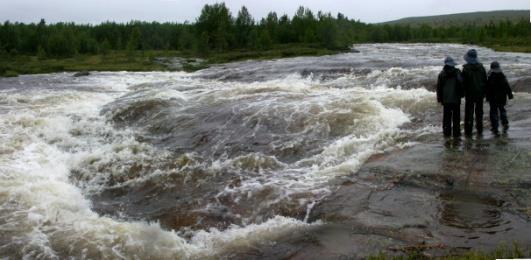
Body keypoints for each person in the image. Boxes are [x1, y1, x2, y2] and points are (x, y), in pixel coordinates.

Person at [461, 49, 487, 137]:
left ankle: (468, 132)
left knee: (469, 113)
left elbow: (462, 83)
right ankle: (480, 130)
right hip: (480, 94)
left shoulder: (465, 69)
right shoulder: (482, 68)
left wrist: (462, 93)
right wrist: (485, 93)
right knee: (479, 113)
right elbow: (485, 81)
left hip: (469, 94)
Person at [437, 56, 463, 138]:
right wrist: (461, 95)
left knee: (446, 119)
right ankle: (456, 135)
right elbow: (461, 84)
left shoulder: (441, 74)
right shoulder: (458, 72)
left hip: (446, 100)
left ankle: (446, 135)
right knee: (456, 118)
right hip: (456, 99)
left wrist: (439, 99)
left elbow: (439, 88)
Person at [486, 61, 513, 135]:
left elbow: (487, 88)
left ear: (492, 68)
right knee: (502, 110)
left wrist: (486, 97)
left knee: (493, 112)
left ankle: (495, 127)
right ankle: (505, 123)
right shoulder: (502, 76)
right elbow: (507, 86)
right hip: (502, 98)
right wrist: (510, 95)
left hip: (493, 98)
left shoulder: (490, 77)